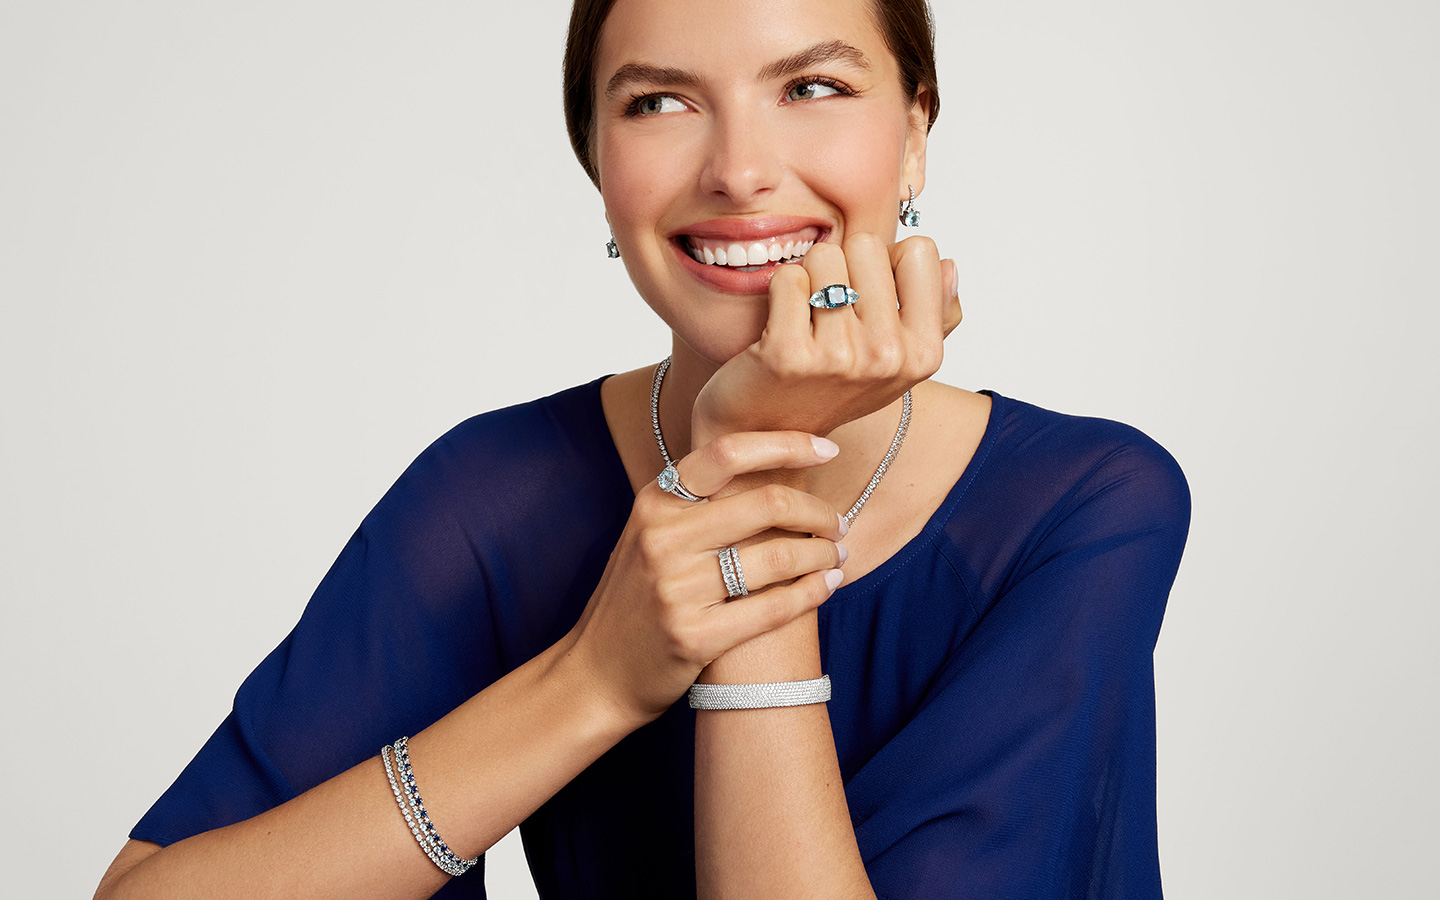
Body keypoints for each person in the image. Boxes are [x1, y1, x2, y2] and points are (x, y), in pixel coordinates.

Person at [94, 0, 1189, 897]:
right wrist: (595, 680)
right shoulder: (494, 496)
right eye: (660, 102)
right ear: (596, 160)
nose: (740, 171)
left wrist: (754, 453)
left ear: (913, 133)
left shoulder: (1084, 507)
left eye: (812, 87)